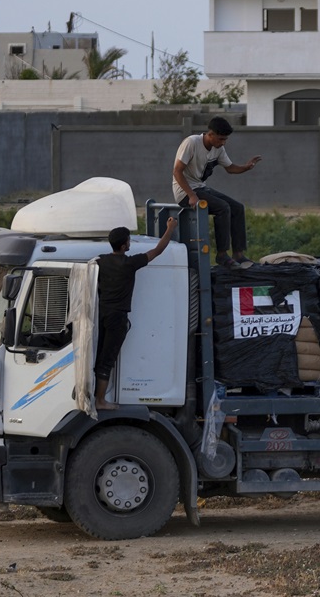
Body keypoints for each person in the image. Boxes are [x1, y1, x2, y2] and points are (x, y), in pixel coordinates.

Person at [95, 216, 178, 409]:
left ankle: (96, 396)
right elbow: (158, 250)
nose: (130, 243)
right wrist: (170, 228)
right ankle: (100, 401)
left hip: (103, 314)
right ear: (124, 246)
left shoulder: (101, 261)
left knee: (99, 355)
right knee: (107, 360)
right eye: (129, 241)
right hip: (117, 318)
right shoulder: (130, 264)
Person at [173, 116, 261, 269]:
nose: (223, 143)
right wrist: (191, 195)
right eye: (220, 139)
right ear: (210, 134)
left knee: (237, 208)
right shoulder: (192, 143)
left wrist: (246, 167)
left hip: (200, 188)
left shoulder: (218, 149)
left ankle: (238, 254)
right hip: (184, 191)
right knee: (223, 207)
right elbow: (177, 171)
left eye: (225, 139)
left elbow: (230, 168)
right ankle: (221, 254)